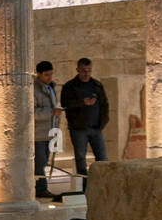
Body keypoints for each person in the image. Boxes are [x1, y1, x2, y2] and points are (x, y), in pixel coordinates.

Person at [60, 57, 109, 180]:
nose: (86, 73)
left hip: (96, 128)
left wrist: (103, 121)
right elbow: (65, 103)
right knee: (81, 158)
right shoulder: (69, 86)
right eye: (83, 70)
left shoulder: (97, 85)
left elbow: (104, 104)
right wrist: (82, 102)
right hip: (79, 128)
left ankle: (101, 183)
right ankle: (84, 186)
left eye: (89, 70)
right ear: (78, 70)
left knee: (102, 158)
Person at [33, 60, 63, 198]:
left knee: (44, 161)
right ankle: (40, 188)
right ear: (38, 74)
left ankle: (39, 187)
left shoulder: (50, 87)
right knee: (39, 162)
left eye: (51, 74)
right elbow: (31, 112)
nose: (49, 78)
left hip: (50, 131)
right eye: (46, 75)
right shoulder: (33, 89)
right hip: (38, 133)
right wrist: (51, 112)